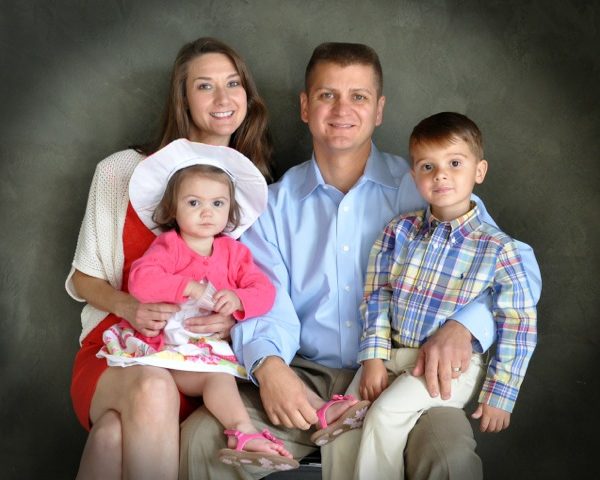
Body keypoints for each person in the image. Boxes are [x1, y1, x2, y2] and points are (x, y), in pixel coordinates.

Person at [178, 42, 541, 480]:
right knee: (201, 439)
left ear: (379, 109)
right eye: (327, 95)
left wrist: (464, 327)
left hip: (406, 372)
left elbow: (512, 267)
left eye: (359, 96)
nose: (342, 109)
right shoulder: (272, 207)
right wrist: (268, 366)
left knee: (450, 461)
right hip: (305, 373)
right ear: (306, 107)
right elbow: (263, 297)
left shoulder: (424, 182)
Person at [66, 37, 272, 480]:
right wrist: (130, 307)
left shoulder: (245, 190)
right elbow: (84, 279)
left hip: (199, 363)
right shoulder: (119, 171)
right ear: (183, 99)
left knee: (112, 439)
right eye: (204, 86)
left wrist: (229, 318)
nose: (223, 98)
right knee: (152, 388)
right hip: (117, 353)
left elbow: (252, 287)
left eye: (233, 83)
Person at [351, 112, 538, 479]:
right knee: (346, 421)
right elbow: (376, 296)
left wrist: (500, 396)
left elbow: (518, 324)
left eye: (454, 163)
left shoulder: (498, 248)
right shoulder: (398, 232)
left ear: (479, 171)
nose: (440, 175)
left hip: (452, 368)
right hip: (392, 355)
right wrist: (372, 358)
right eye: (427, 166)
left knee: (385, 415)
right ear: (414, 176)